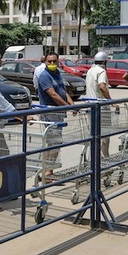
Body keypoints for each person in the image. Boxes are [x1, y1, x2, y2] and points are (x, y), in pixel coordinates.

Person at [37, 53, 75, 182]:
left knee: (56, 143)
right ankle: (47, 172)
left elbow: (63, 92)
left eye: (54, 61)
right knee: (53, 142)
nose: (52, 64)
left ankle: (49, 171)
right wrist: (67, 107)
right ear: (45, 62)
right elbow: (53, 94)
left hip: (58, 113)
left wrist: (72, 105)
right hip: (50, 113)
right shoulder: (44, 76)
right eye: (49, 62)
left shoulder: (57, 74)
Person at [85, 51, 116, 157]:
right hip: (101, 106)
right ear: (105, 62)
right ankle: (105, 157)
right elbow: (102, 86)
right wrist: (110, 101)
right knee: (105, 135)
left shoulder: (90, 70)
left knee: (94, 134)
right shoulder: (101, 71)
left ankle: (94, 157)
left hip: (91, 106)